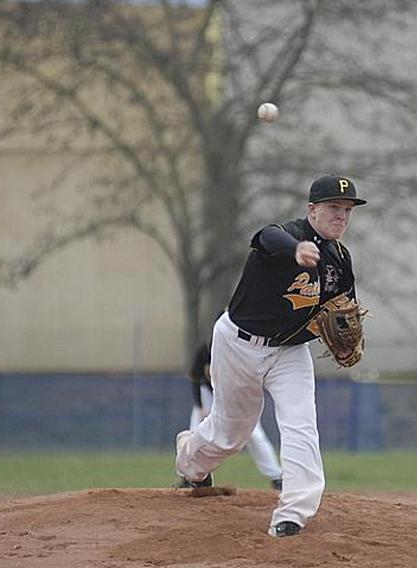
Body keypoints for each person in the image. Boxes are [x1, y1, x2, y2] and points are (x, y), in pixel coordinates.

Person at [175, 174, 366, 538]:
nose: (341, 216)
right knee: (232, 432)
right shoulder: (287, 236)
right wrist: (296, 251)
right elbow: (265, 236)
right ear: (312, 210)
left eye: (346, 210)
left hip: (289, 352)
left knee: (301, 423)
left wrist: (347, 330)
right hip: (237, 343)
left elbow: (347, 307)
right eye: (332, 208)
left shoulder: (340, 260)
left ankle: (292, 512)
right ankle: (190, 464)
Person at [187, 340, 283, 490]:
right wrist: (200, 407)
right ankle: (191, 476)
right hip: (209, 394)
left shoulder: (238, 350)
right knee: (194, 431)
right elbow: (195, 379)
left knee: (255, 434)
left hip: (235, 393)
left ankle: (276, 477)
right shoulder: (205, 350)